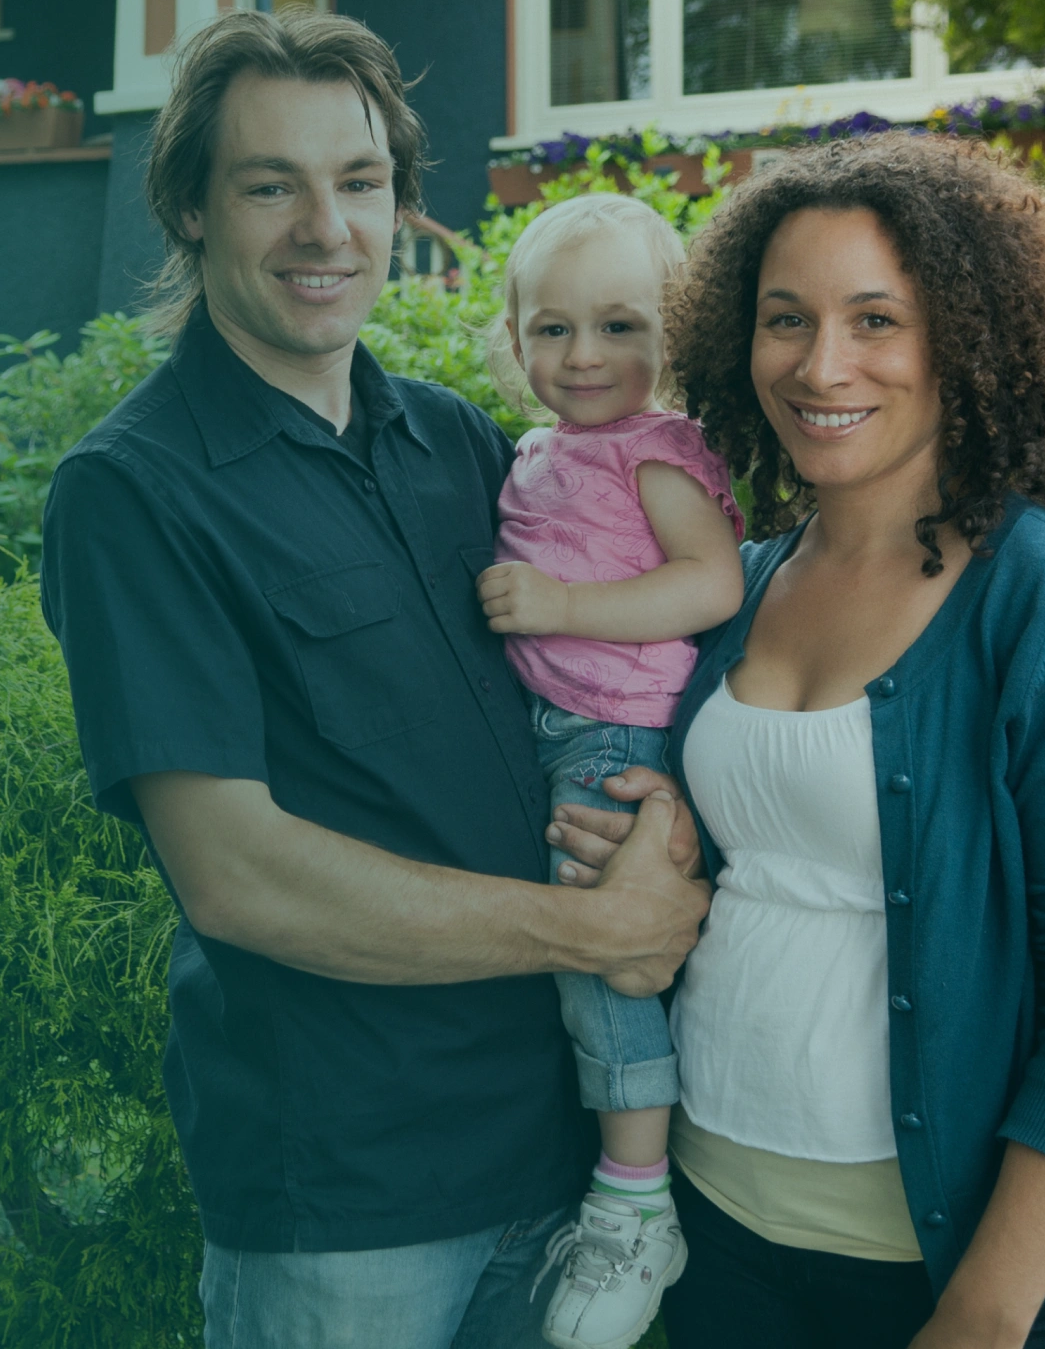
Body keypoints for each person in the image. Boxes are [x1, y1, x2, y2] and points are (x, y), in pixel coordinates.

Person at [38, 5, 711, 1349]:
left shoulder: (462, 448)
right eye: (267, 184)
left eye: (356, 183)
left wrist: (664, 813)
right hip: (352, 1206)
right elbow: (238, 876)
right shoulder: (135, 495)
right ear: (186, 207)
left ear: (399, 206)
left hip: (566, 1162)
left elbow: (610, 678)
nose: (322, 229)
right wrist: (594, 932)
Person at [549, 132, 1045, 1349]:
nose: (821, 363)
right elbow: (743, 868)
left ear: (967, 334)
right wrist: (648, 864)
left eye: (876, 320)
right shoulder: (729, 588)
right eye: (784, 318)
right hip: (722, 1240)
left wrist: (983, 1316)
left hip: (962, 1280)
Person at [470, 193, 746, 1348]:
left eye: (621, 327)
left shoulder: (657, 451)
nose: (583, 357)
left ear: (672, 336)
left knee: (602, 964)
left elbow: (710, 584)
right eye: (552, 329)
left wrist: (565, 604)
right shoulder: (542, 446)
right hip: (559, 729)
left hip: (616, 737)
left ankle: (636, 1201)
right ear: (516, 331)